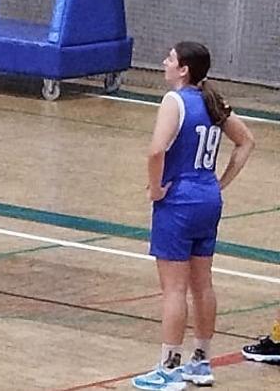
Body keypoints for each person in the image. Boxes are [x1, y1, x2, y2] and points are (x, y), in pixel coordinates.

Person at [132, 42, 255, 390]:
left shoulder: (176, 101)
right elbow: (246, 141)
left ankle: (169, 368)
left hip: (179, 201)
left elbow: (156, 150)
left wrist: (155, 189)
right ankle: (201, 361)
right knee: (203, 284)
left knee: (174, 289)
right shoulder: (212, 101)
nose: (164, 62)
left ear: (183, 69)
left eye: (170, 58)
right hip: (208, 198)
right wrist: (220, 183)